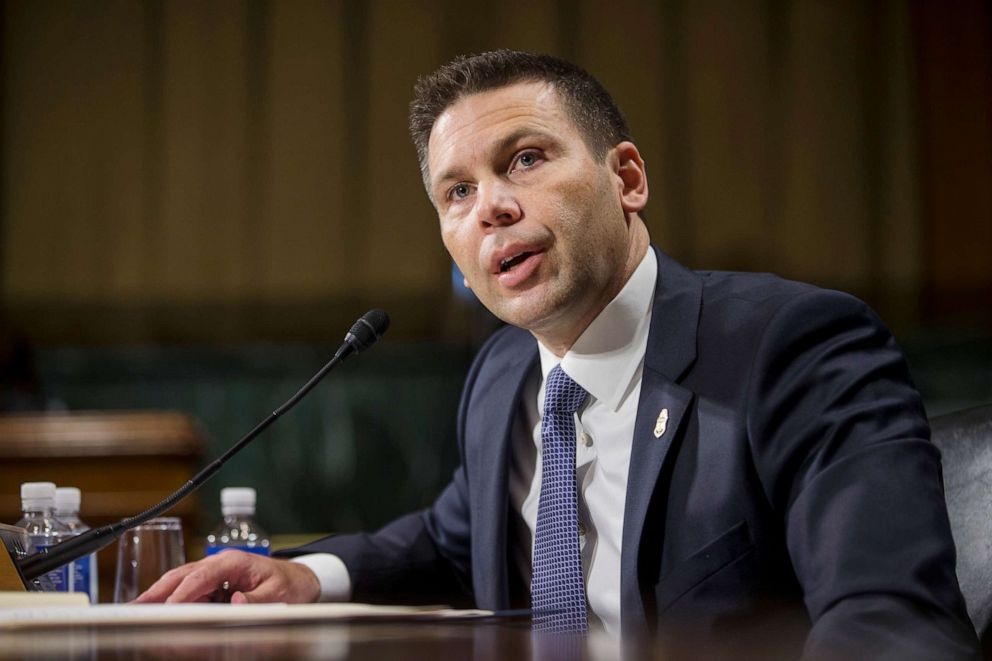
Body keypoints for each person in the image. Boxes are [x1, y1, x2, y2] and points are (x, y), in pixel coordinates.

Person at [137, 50, 978, 658]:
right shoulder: (505, 377)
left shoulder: (794, 346)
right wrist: (310, 574)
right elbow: (453, 539)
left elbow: (892, 620)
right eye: (456, 192)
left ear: (628, 178)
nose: (491, 208)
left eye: (526, 159)